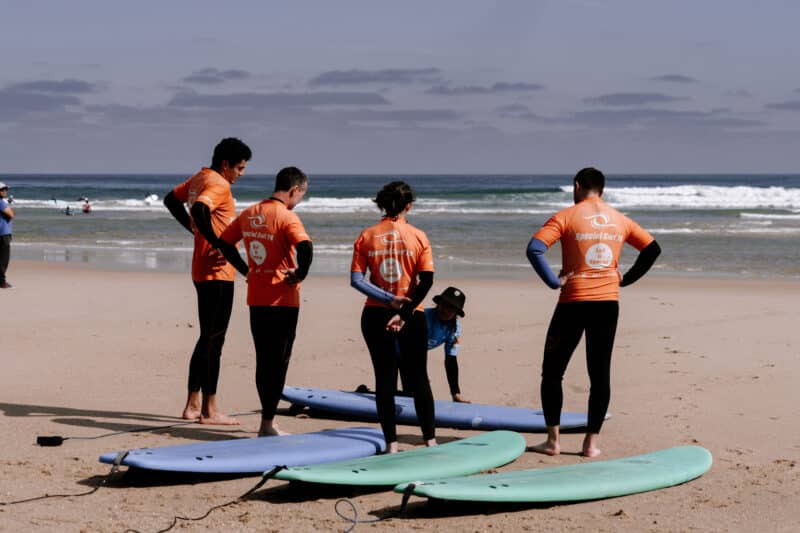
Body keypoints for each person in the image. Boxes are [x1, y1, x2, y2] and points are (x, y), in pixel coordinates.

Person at [526, 167, 661, 458]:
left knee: (552, 372)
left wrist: (553, 281)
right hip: (607, 304)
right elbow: (652, 249)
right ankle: (590, 444)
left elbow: (534, 249)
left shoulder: (565, 216)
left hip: (572, 301)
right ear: (602, 189)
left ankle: (553, 442)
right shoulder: (620, 219)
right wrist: (626, 278)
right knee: (599, 375)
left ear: (577, 185)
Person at [163, 137, 251, 425]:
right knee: (215, 340)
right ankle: (209, 410)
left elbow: (171, 200)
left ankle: (192, 404)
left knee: (207, 337)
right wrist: (215, 241)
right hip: (217, 272)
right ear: (225, 164)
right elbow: (200, 209)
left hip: (202, 269)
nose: (241, 174)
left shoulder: (201, 177)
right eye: (239, 167)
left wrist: (197, 233)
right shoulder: (218, 183)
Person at [219, 167, 312, 436]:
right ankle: (267, 424)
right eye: (301, 195)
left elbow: (225, 243)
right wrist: (301, 273)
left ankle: (266, 422)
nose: (299, 200)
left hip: (257, 298)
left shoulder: (250, 213)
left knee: (263, 360)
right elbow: (306, 247)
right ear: (294, 190)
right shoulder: (286, 216)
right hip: (283, 299)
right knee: (280, 361)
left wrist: (246, 269)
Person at [351, 181, 437, 453]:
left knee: (384, 379)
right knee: (419, 378)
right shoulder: (418, 236)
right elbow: (426, 281)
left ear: (381, 204)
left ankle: (391, 444)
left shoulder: (366, 236)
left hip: (375, 314)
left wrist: (389, 301)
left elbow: (356, 280)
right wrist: (405, 311)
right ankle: (430, 441)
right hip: (413, 314)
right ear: (409, 205)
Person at [0, 182, 14, 289]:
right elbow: (11, 214)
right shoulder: (1, 202)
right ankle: (2, 282)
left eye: (5, 189)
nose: (5, 191)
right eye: (2, 189)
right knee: (4, 259)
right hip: (3, 234)